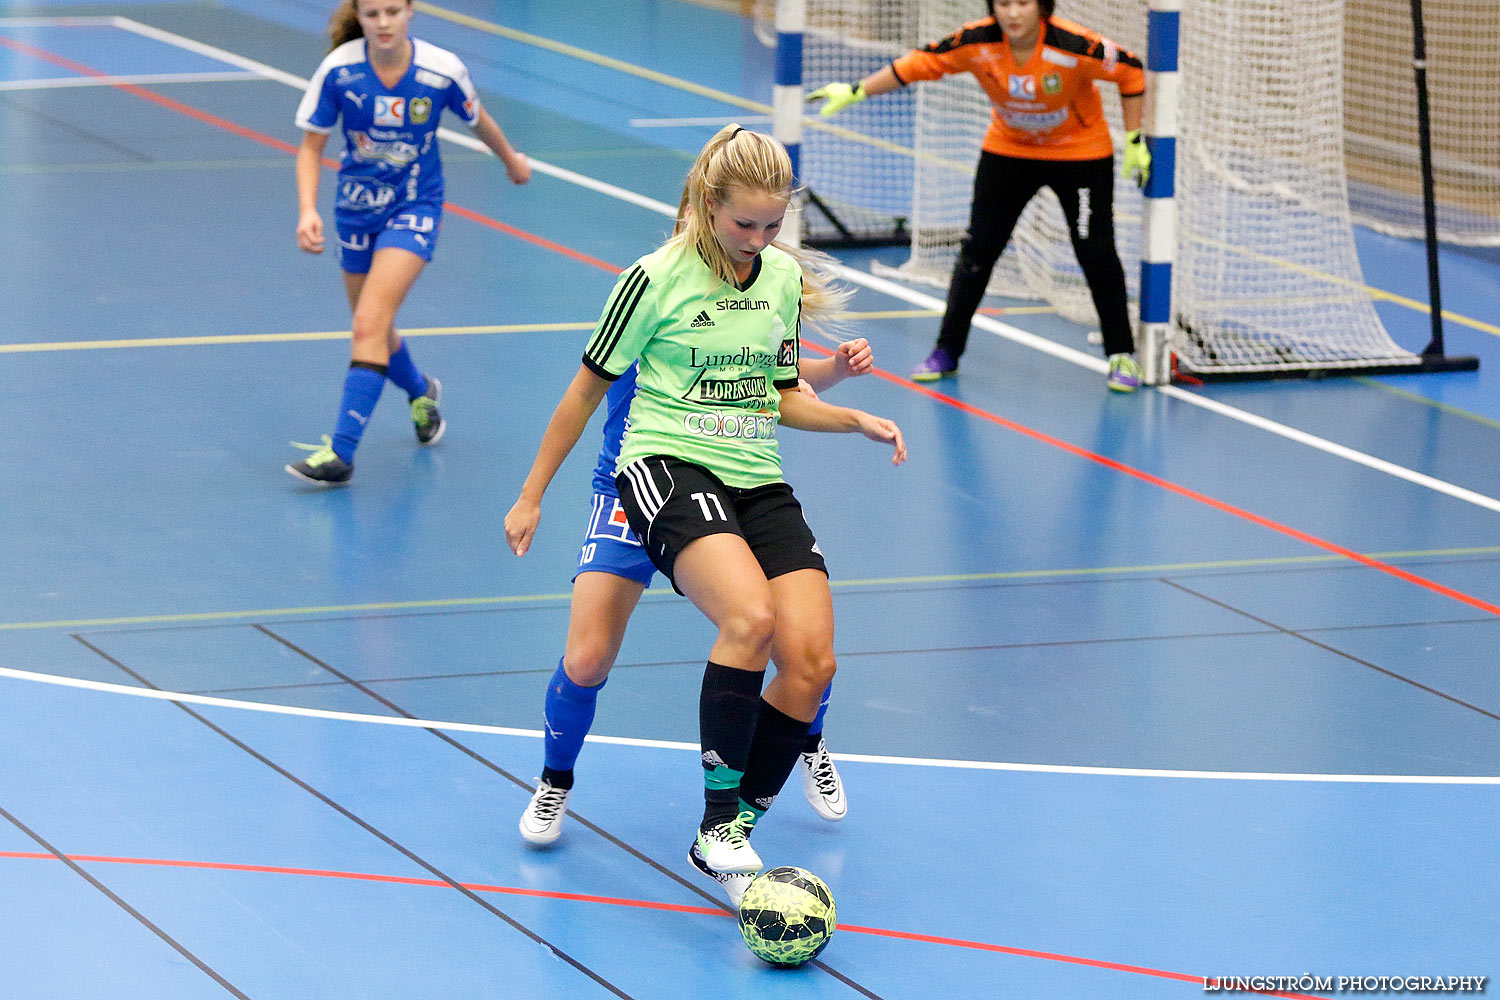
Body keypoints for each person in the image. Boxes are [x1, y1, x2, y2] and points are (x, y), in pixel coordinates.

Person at [504, 124, 906, 904]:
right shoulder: (655, 281)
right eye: (744, 224)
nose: (758, 241)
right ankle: (570, 781)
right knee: (642, 645)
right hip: (653, 474)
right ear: (705, 204)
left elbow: (780, 392)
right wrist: (530, 495)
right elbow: (583, 392)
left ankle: (739, 816)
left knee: (811, 658)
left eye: (772, 226)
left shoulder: (777, 278)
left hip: (750, 476)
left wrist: (854, 415)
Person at [515, 338, 875, 850]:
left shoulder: (742, 303)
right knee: (587, 658)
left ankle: (804, 736)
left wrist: (835, 370)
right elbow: (582, 394)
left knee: (791, 641)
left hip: (724, 487)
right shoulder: (652, 296)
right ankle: (555, 779)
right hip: (631, 487)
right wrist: (532, 496)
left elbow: (782, 377)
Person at [810, 0, 1150, 392]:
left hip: (1080, 154)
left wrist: (1134, 137)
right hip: (1009, 151)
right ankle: (946, 351)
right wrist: (856, 90)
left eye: (1023, 2)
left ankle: (1122, 354)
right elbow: (919, 63)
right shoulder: (976, 42)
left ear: (1042, 7)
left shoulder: (1074, 46)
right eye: (1003, 3)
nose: (1012, 13)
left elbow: (1130, 70)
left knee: (1095, 251)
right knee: (978, 250)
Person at [287, 0, 530, 485]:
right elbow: (311, 147)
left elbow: (478, 119)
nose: (382, 23)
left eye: (392, 12)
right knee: (373, 325)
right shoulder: (339, 69)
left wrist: (510, 159)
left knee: (368, 325)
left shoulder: (441, 71)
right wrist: (308, 209)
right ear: (359, 14)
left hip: (414, 209)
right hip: (355, 210)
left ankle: (341, 454)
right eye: (373, 14)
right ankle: (422, 393)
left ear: (410, 12)